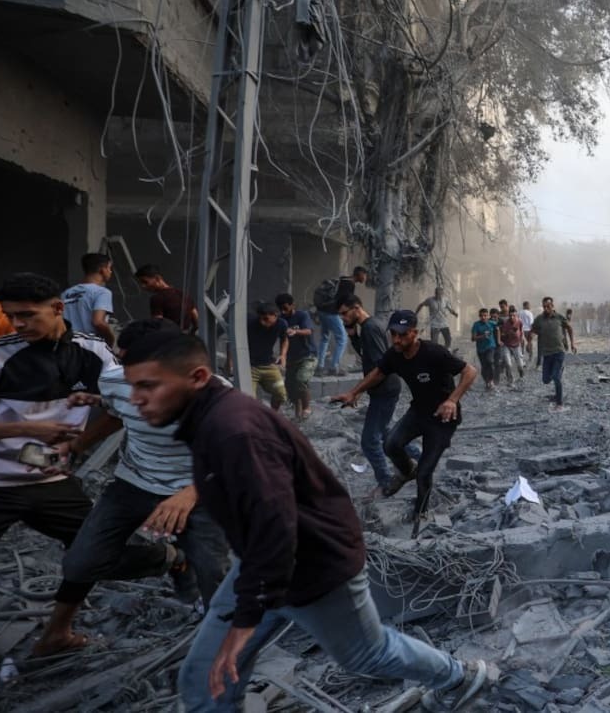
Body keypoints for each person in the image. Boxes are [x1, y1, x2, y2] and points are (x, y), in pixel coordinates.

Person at [120, 332, 495, 711]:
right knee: (204, 678)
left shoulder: (235, 432)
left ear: (198, 377)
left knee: (366, 654)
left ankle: (459, 676)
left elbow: (277, 527)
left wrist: (244, 624)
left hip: (316, 566)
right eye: (132, 386)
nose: (136, 399)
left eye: (148, 386)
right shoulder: (210, 422)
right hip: (264, 566)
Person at [0, 272, 167, 657]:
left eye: (27, 315)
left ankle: (60, 631)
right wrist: (29, 428)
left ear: (59, 309)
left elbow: (122, 405)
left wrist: (80, 443)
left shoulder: (92, 353)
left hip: (50, 481)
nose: (18, 324)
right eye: (12, 316)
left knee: (97, 553)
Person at [50, 318, 229, 637]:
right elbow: (116, 415)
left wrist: (190, 494)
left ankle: (217, 642)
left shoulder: (212, 392)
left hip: (197, 489)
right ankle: (171, 558)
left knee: (213, 573)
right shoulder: (115, 380)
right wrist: (78, 444)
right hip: (132, 484)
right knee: (79, 563)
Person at [330, 311, 477, 530]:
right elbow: (378, 373)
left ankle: (421, 513)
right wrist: (354, 392)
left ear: (414, 333)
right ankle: (407, 470)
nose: (397, 340)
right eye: (393, 335)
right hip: (418, 411)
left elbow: (470, 371)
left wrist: (452, 400)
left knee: (425, 472)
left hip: (443, 418)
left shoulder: (434, 352)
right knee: (390, 443)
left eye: (403, 335)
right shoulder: (394, 354)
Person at [337, 295, 404, 496]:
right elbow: (367, 354)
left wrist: (355, 391)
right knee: (386, 434)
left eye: (344, 313)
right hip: (383, 389)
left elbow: (379, 367)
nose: (342, 318)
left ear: (357, 308)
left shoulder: (370, 327)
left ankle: (386, 483)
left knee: (369, 441)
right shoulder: (368, 327)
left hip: (385, 389)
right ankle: (419, 457)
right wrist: (352, 336)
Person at [315, 266, 368, 376]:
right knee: (342, 338)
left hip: (322, 310)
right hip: (332, 313)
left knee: (324, 338)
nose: (365, 278)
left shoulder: (343, 279)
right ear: (360, 274)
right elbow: (344, 302)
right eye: (365, 275)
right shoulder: (350, 284)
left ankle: (320, 367)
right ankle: (334, 367)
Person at [529, 296, 575, 411]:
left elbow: (569, 328)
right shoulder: (539, 319)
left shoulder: (559, 317)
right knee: (546, 380)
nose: (546, 308)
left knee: (555, 377)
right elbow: (533, 330)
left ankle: (559, 403)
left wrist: (573, 343)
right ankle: (558, 373)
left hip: (559, 351)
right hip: (547, 353)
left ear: (552, 306)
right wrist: (529, 339)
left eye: (548, 306)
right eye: (544, 306)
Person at [61, 252, 117, 347]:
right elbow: (98, 322)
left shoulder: (66, 293)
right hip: (90, 346)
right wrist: (110, 341)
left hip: (67, 344)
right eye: (109, 268)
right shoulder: (102, 292)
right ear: (102, 270)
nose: (110, 272)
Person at [276, 294, 316, 420]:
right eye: (281, 309)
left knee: (301, 380)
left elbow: (309, 331)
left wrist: (296, 331)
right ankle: (298, 414)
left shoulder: (302, 315)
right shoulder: (280, 319)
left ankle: (307, 408)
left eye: (285, 308)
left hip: (308, 355)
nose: (283, 311)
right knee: (290, 387)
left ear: (292, 305)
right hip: (291, 358)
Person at [245, 304, 288, 412]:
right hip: (249, 366)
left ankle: (273, 415)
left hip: (268, 365)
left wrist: (283, 355)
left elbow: (285, 339)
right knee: (249, 400)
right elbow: (232, 341)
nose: (262, 322)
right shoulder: (250, 323)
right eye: (260, 318)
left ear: (275, 316)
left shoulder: (281, 324)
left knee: (281, 393)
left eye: (266, 319)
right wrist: (230, 362)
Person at [135, 264, 198, 332]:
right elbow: (195, 317)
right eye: (141, 283)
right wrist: (192, 332)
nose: (143, 286)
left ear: (157, 278)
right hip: (186, 337)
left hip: (171, 338)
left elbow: (157, 324)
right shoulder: (183, 294)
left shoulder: (157, 299)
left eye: (145, 282)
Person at [496, 299, 525, 385]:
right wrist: (508, 334)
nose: (512, 317)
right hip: (506, 345)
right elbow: (502, 334)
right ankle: (510, 380)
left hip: (516, 345)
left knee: (520, 365)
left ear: (516, 315)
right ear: (508, 316)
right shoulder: (505, 323)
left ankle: (521, 376)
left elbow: (521, 334)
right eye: (510, 316)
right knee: (508, 364)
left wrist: (522, 347)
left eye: (514, 315)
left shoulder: (519, 322)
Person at [470, 308, 498, 392]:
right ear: (479, 316)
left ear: (488, 316)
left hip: (490, 347)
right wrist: (482, 336)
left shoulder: (492, 323)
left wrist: (499, 340)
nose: (483, 317)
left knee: (490, 361)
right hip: (481, 349)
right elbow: (473, 338)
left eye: (485, 315)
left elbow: (499, 329)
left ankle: (491, 381)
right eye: (481, 316)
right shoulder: (476, 325)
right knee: (484, 366)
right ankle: (487, 382)